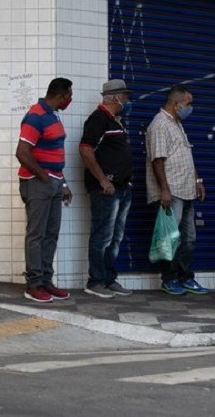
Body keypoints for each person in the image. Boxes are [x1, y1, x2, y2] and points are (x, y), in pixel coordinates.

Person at [145, 85, 209, 296]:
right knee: (171, 238)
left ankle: (185, 277)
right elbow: (158, 161)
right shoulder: (160, 124)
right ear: (176, 104)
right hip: (171, 192)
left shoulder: (177, 124)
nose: (191, 107)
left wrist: (197, 179)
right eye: (188, 103)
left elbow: (185, 157)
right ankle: (169, 279)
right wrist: (164, 190)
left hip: (186, 189)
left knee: (188, 238)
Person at [15, 77, 74, 303]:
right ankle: (34, 284)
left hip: (55, 181)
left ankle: (46, 282)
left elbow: (55, 153)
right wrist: (44, 178)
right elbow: (22, 152)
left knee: (51, 234)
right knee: (36, 235)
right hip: (38, 183)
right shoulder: (35, 116)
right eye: (69, 95)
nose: (70, 99)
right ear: (59, 96)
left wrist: (63, 183)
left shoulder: (53, 115)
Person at [79, 79, 135, 299]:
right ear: (114, 98)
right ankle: (95, 281)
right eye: (125, 97)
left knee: (115, 238)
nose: (128, 102)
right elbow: (85, 150)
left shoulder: (115, 121)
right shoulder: (98, 119)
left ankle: (109, 280)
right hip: (106, 191)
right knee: (102, 236)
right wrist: (103, 180)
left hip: (122, 188)